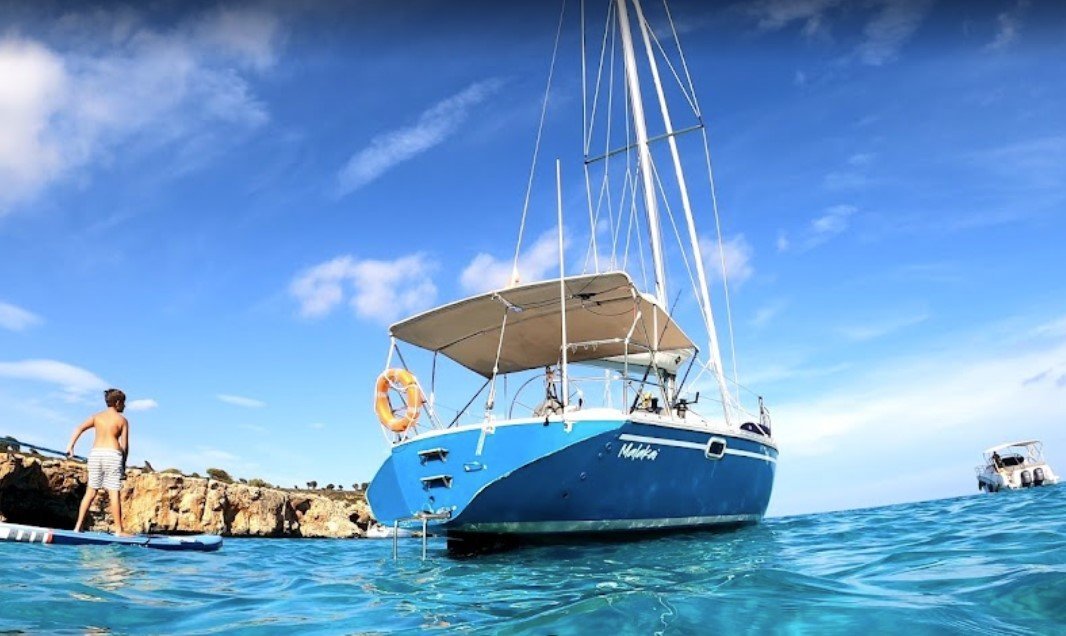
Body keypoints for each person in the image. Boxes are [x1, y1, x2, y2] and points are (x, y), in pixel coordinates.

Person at [66, 388, 131, 535]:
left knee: (90, 491)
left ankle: (77, 527)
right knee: (114, 492)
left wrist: (70, 447)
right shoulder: (122, 421)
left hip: (96, 454)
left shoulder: (97, 416)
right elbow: (125, 446)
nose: (125, 406)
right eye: (124, 403)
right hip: (113, 454)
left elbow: (79, 428)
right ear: (118, 402)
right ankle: (119, 530)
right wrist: (123, 464)